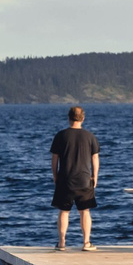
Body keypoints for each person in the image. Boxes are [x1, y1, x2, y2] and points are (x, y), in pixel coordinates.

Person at [49, 105, 99, 251]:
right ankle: (86, 243)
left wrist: (55, 176)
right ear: (83, 118)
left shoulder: (61, 135)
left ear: (69, 118)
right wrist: (95, 176)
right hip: (84, 179)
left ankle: (62, 243)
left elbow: (54, 159)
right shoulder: (90, 136)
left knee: (64, 211)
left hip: (65, 179)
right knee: (85, 211)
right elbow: (95, 159)